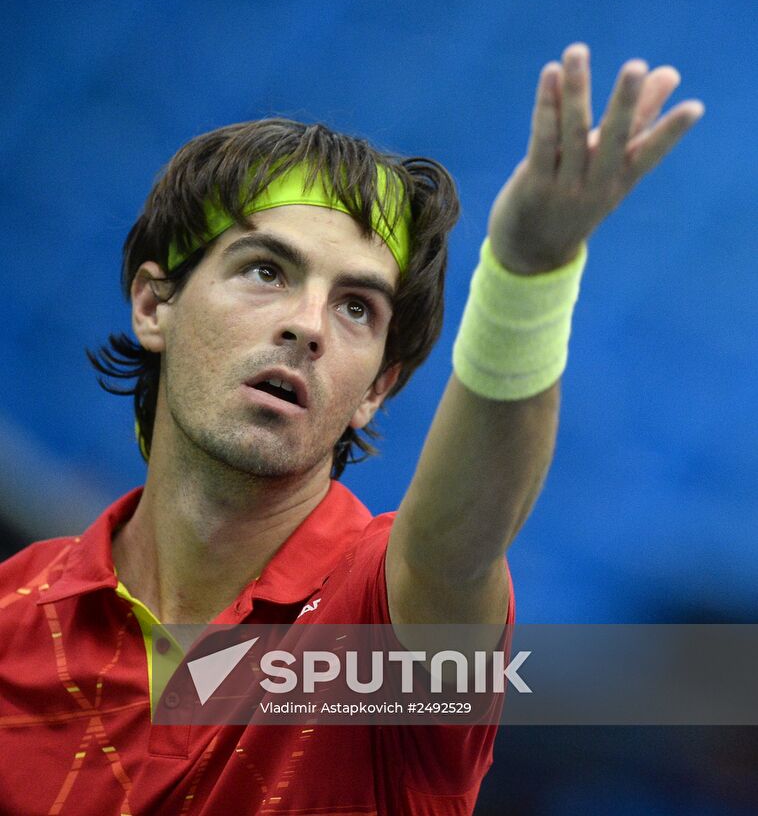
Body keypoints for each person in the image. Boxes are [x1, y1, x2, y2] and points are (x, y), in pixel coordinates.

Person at [0, 43, 704, 814]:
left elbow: (460, 544)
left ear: (376, 389)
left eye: (356, 307)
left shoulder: (387, 618)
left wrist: (528, 272)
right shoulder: (13, 615)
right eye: (266, 270)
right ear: (153, 306)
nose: (308, 326)